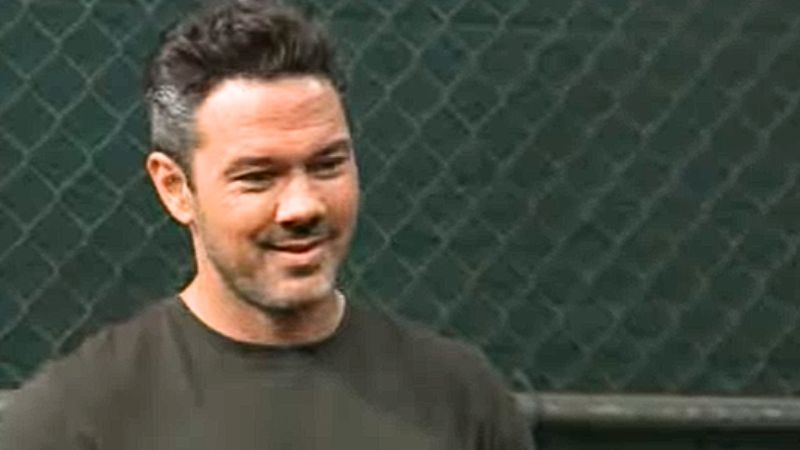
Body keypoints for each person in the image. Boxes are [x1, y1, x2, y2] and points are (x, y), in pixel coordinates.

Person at [0, 1, 535, 448]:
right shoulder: (74, 421)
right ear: (175, 188)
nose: (302, 206)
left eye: (327, 165)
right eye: (258, 177)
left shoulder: (460, 400)